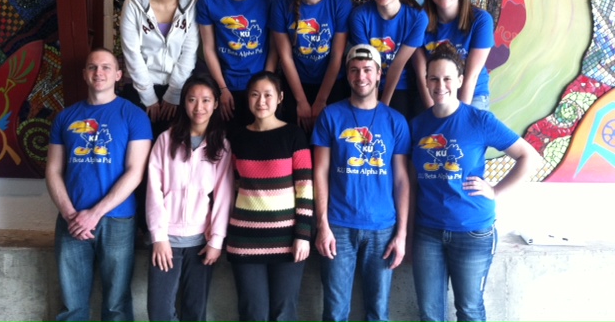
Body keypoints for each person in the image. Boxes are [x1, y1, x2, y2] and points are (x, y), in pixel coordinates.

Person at [409, 42, 539, 322]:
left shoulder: (479, 121)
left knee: (469, 311)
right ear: (426, 81)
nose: (440, 85)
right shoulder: (417, 125)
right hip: (427, 232)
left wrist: (496, 190)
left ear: (459, 80)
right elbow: (410, 180)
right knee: (430, 314)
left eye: (447, 78)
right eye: (434, 78)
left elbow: (529, 157)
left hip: (472, 231)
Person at [45, 48, 152, 322]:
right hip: (71, 219)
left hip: (117, 220)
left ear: (118, 75)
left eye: (106, 67)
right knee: (72, 306)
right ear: (84, 74)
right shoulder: (65, 117)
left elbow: (135, 172)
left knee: (117, 304)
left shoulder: (135, 116)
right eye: (92, 67)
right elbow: (53, 171)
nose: (99, 72)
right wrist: (71, 215)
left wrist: (94, 214)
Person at [311, 44, 411, 322]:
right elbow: (319, 172)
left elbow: (402, 180)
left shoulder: (395, 121)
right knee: (335, 313)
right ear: (347, 75)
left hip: (383, 229)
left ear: (379, 74)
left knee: (378, 313)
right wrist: (322, 225)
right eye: (354, 70)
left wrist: (402, 234)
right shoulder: (330, 116)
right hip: (338, 227)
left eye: (367, 70)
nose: (361, 76)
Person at [226, 70, 313, 322]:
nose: (261, 101)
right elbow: (231, 184)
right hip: (244, 239)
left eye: (267, 95)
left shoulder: (294, 135)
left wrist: (303, 235)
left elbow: (305, 189)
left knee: (284, 313)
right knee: (253, 314)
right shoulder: (238, 137)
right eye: (255, 95)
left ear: (280, 97)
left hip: (287, 238)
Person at [146, 74, 234, 322]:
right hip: (166, 241)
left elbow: (224, 195)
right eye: (192, 99)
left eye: (206, 100)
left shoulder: (221, 145)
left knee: (195, 312)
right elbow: (153, 190)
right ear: (183, 102)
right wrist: (159, 237)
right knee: (160, 312)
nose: (199, 107)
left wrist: (217, 240)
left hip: (200, 244)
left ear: (215, 104)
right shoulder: (166, 140)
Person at [197, 0, 281, 130]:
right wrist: (222, 89)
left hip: (261, 89)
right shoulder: (209, 0)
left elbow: (274, 48)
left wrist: (266, 86)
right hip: (225, 87)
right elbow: (208, 49)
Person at [270, 0, 351, 132]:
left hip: (332, 82)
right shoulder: (281, 4)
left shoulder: (340, 3)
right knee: (296, 134)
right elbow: (286, 57)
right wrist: (301, 101)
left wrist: (321, 100)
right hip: (295, 82)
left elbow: (336, 56)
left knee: (329, 134)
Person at [120, 0, 199, 137]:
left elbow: (189, 52)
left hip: (179, 86)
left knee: (175, 140)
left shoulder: (191, 5)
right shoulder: (133, 4)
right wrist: (148, 96)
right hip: (140, 85)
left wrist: (173, 94)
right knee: (138, 138)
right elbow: (132, 53)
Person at [349, 0, 428, 119]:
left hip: (400, 86)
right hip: (366, 83)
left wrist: (383, 105)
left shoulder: (417, 18)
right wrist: (372, 103)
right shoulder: (359, 16)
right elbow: (367, 63)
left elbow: (398, 64)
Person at [416, 0, 494, 110]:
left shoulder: (481, 20)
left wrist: (459, 116)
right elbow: (421, 74)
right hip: (434, 95)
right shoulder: (419, 21)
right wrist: (433, 113)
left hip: (472, 95)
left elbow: (471, 76)